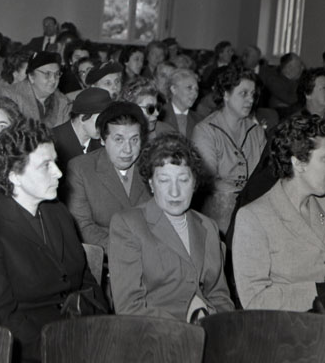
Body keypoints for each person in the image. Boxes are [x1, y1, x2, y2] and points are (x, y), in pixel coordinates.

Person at [0, 118, 104, 363]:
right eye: (46, 165)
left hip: (81, 333)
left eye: (55, 162)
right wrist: (58, 351)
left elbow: (86, 280)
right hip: (32, 350)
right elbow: (4, 317)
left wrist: (99, 331)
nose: (59, 172)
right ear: (14, 175)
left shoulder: (57, 211)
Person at [108, 133, 234, 321]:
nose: (175, 192)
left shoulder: (208, 227)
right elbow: (129, 307)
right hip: (153, 332)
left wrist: (210, 321)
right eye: (164, 180)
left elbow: (220, 297)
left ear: (194, 183)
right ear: (151, 183)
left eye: (183, 180)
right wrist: (186, 329)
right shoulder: (128, 224)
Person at [233, 114, 325, 311]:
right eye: (324, 159)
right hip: (291, 326)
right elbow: (254, 300)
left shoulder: (321, 204)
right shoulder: (253, 218)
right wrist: (318, 292)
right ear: (298, 163)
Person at [192, 64, 266, 234]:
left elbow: (265, 175)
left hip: (253, 208)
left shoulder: (257, 132)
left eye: (253, 94)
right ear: (225, 94)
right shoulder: (205, 131)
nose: (250, 100)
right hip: (218, 212)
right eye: (243, 94)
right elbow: (208, 182)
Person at [66, 101, 151, 250]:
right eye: (119, 140)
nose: (128, 149)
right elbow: (82, 226)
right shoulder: (81, 169)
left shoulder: (153, 165)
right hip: (108, 255)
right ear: (102, 139)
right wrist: (125, 251)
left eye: (134, 140)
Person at [2, 51, 71, 128]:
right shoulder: (11, 97)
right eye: (47, 74)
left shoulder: (63, 102)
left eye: (57, 74)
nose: (53, 80)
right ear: (31, 77)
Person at [51, 87, 110, 175]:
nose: (105, 127)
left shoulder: (103, 144)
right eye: (101, 121)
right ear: (83, 118)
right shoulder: (53, 141)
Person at [121, 76, 175, 142]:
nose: (157, 114)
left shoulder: (166, 133)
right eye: (150, 109)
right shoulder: (118, 135)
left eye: (157, 107)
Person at [161, 68, 202, 140]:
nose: (195, 93)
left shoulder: (200, 121)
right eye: (189, 88)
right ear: (174, 89)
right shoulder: (159, 116)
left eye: (196, 90)